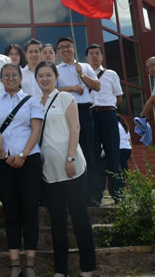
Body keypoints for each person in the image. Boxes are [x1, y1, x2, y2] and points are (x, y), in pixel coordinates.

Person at [36, 60, 97, 277]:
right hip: (49, 171)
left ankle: (87, 268)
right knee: (57, 222)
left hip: (71, 167)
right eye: (40, 76)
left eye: (48, 75)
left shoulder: (65, 98)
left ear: (56, 77)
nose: (44, 79)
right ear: (36, 79)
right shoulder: (35, 103)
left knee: (80, 218)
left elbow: (75, 127)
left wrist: (70, 156)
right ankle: (60, 270)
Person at [0, 63, 43, 277]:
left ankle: (30, 264)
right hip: (3, 162)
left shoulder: (32, 100)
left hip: (29, 159)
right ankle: (15, 264)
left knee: (30, 210)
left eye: (14, 75)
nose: (10, 78)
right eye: (6, 75)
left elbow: (36, 130)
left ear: (20, 78)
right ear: (1, 79)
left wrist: (23, 155)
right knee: (11, 211)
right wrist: (5, 156)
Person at [55, 37, 101, 205]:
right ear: (58, 52)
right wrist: (72, 88)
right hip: (65, 112)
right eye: (62, 48)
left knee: (89, 152)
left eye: (68, 46)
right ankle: (71, 194)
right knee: (68, 152)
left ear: (73, 48)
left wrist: (81, 74)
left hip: (84, 111)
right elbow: (53, 89)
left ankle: (91, 195)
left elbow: (97, 86)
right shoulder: (56, 69)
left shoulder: (85, 66)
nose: (66, 50)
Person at [86, 43, 125, 202]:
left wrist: (110, 109)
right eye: (91, 53)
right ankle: (96, 195)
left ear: (102, 56)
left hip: (108, 115)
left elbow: (119, 97)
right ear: (87, 58)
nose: (94, 56)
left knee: (113, 154)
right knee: (93, 157)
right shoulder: (83, 75)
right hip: (90, 116)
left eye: (97, 53)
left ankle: (117, 194)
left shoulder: (111, 74)